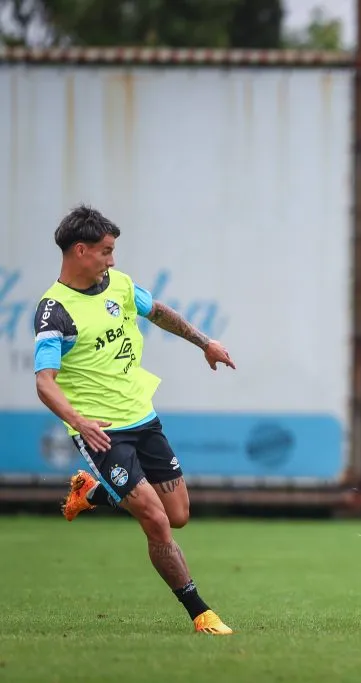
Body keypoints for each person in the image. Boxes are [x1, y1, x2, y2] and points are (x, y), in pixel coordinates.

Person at [34, 205, 236, 635]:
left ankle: (92, 494)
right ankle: (201, 613)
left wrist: (205, 342)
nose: (112, 260)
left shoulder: (119, 285)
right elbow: (45, 383)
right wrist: (79, 422)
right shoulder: (55, 312)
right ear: (81, 250)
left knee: (177, 513)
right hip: (101, 432)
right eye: (106, 251)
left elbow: (158, 311)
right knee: (156, 521)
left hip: (143, 418)